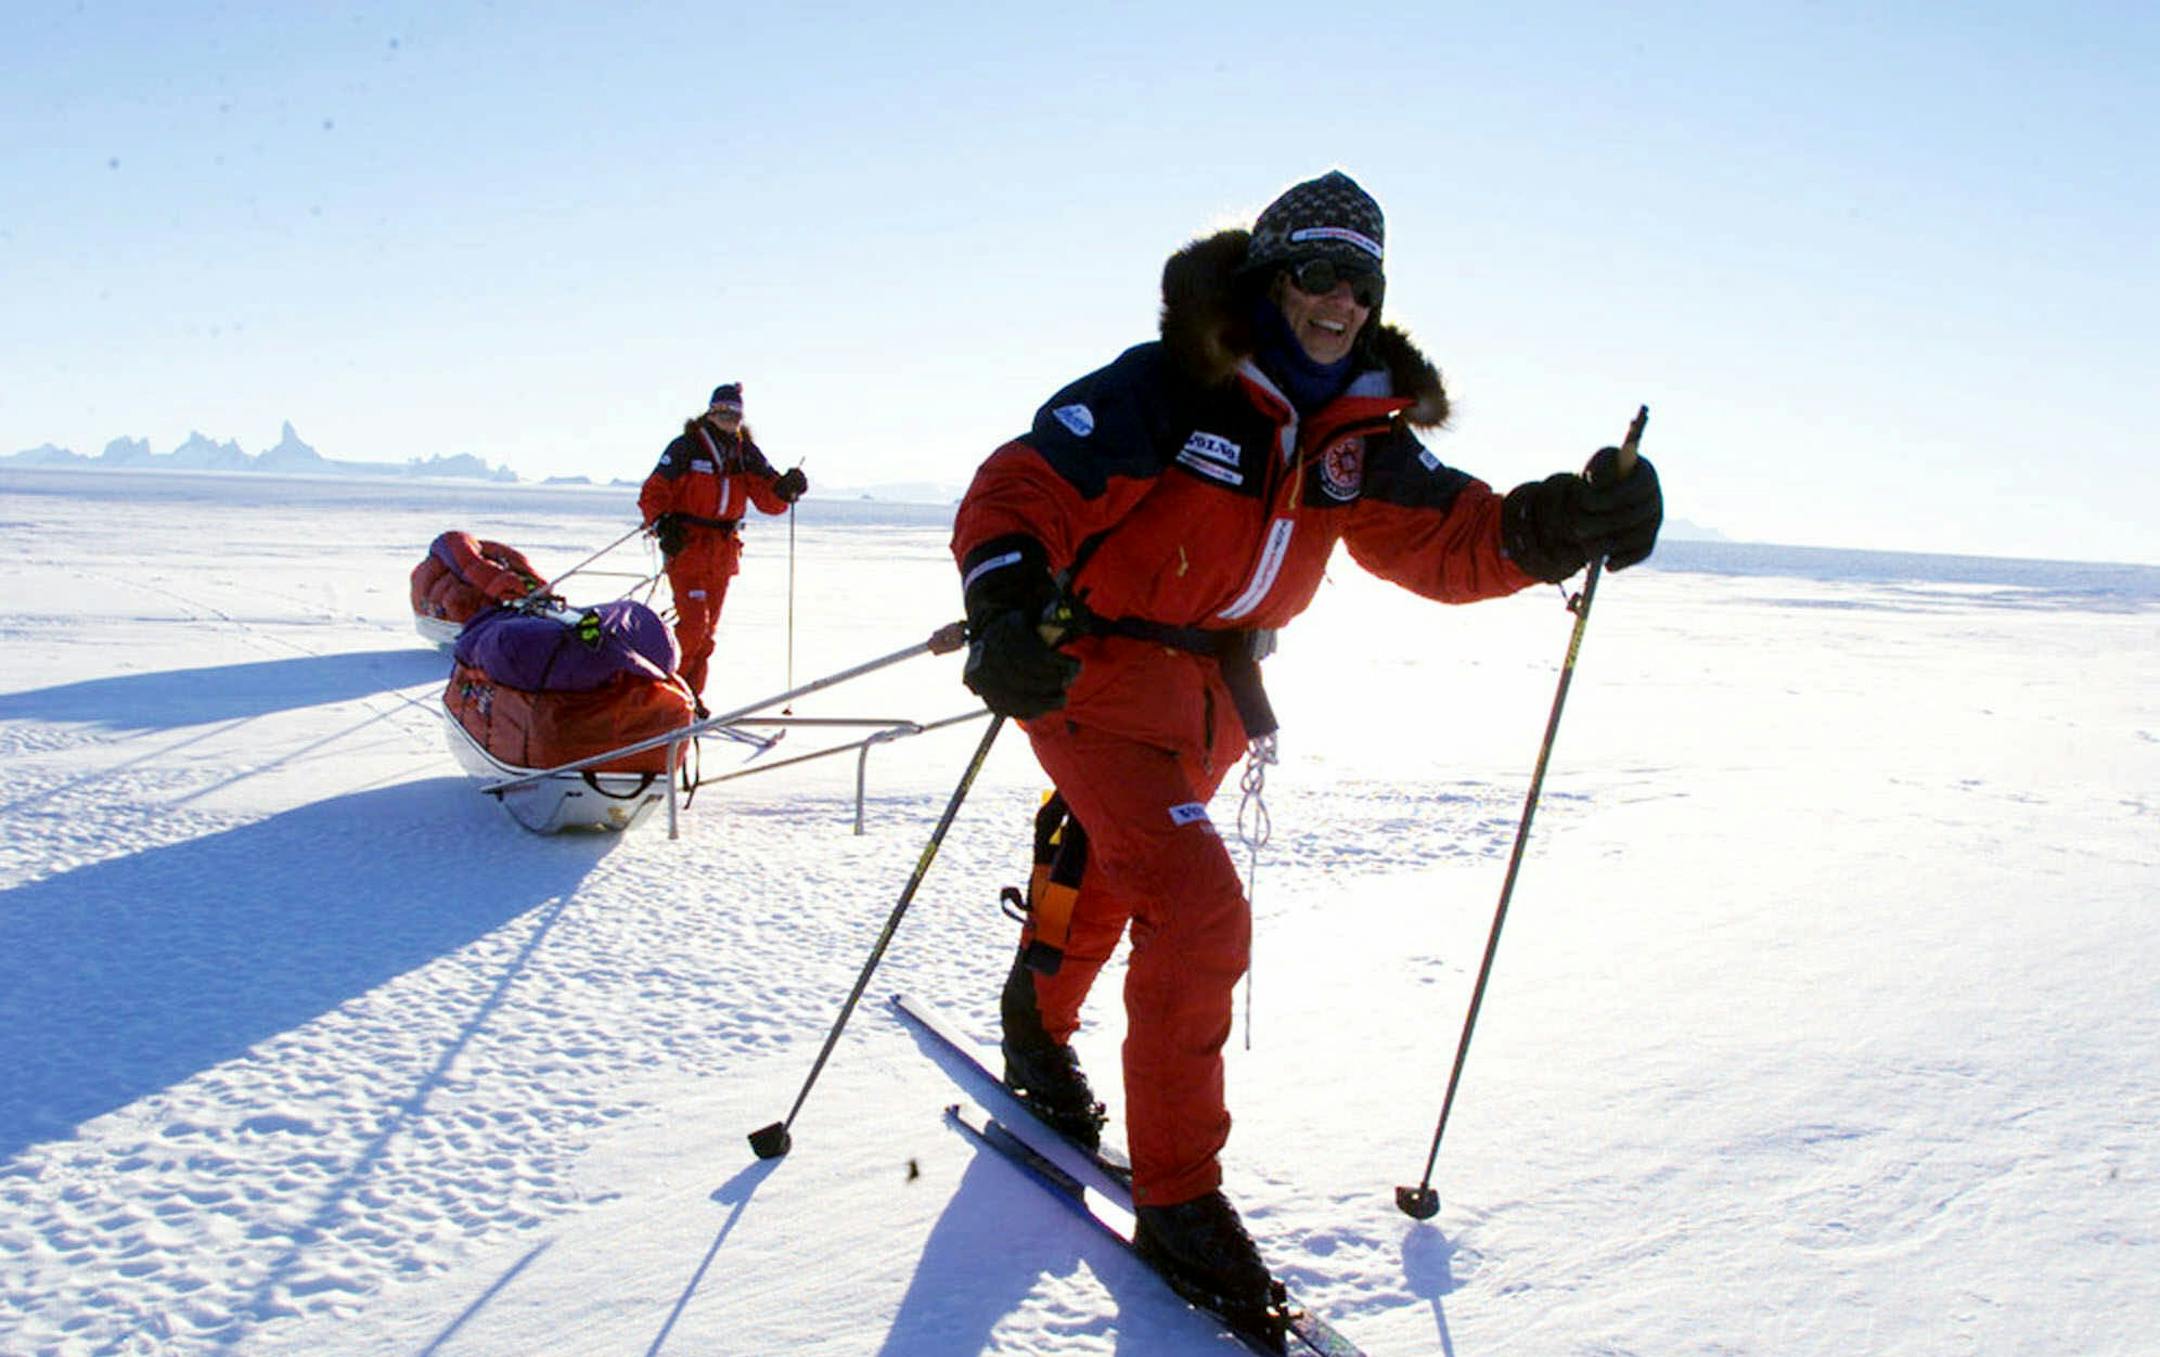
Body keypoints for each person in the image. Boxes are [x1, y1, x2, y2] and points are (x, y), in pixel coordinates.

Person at [948, 170, 1661, 1319]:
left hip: (1216, 699)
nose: (1337, 298)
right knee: (1198, 901)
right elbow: (1022, 486)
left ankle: (1037, 1016)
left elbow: (1455, 541)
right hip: (1085, 673)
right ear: (1270, 279)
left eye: (1360, 281)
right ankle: (1182, 1199)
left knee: (1132, 874)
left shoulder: (1357, 434)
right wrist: (1003, 597)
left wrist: (1563, 523)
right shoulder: (1174, 387)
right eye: (1315, 271)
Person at [639, 382, 807, 710]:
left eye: (735, 413)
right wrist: (662, 524)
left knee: (707, 633)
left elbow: (769, 498)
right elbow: (653, 491)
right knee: (693, 626)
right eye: (723, 412)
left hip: (723, 550)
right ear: (711, 411)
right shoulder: (687, 448)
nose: (729, 418)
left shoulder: (745, 453)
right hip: (688, 546)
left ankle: (689, 696)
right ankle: (666, 695)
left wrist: (787, 488)